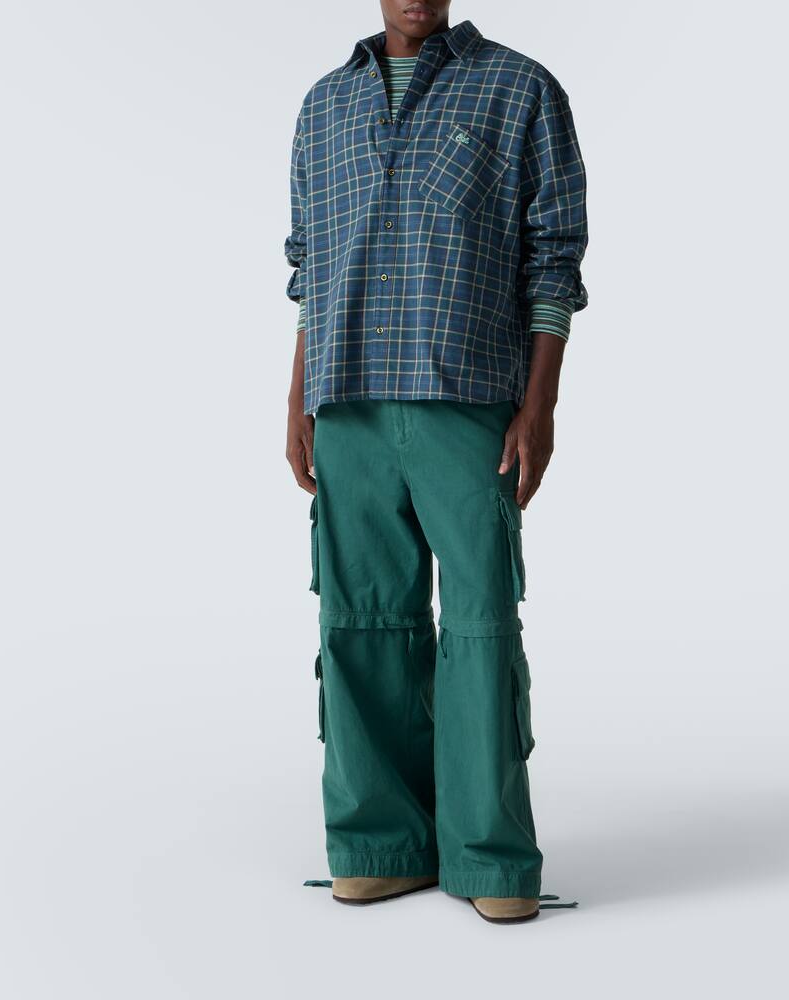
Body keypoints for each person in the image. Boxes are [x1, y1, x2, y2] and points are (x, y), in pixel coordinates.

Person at [284, 0, 587, 924]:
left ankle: (490, 857)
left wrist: (540, 404)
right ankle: (377, 843)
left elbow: (553, 258)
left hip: (469, 396)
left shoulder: (520, 88)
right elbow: (308, 264)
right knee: (358, 622)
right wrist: (297, 397)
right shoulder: (323, 105)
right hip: (347, 399)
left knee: (481, 624)